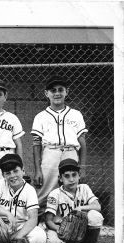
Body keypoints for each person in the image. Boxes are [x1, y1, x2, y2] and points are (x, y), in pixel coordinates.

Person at [31, 75, 88, 215]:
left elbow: (82, 142)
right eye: (53, 90)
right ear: (46, 93)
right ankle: (39, 222)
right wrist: (38, 169)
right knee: (44, 191)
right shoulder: (40, 116)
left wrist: (83, 166)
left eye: (60, 90)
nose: (57, 93)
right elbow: (36, 144)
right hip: (51, 152)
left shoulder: (76, 114)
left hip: (71, 152)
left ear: (66, 92)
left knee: (71, 188)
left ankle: (70, 221)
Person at [44, 159, 103, 243]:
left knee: (95, 215)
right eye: (67, 176)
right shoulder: (55, 194)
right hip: (62, 231)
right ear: (60, 178)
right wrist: (61, 230)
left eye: (74, 175)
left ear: (79, 176)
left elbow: (97, 206)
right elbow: (48, 220)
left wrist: (81, 208)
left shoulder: (84, 188)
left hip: (81, 229)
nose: (71, 179)